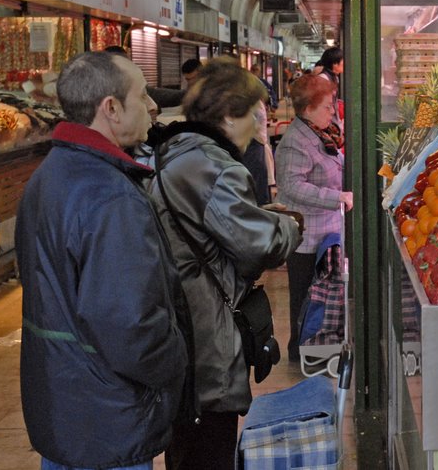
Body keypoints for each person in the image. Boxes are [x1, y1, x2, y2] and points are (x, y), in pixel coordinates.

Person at [16, 52, 190, 470]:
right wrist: (177, 362)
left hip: (65, 405)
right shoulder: (111, 196)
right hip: (108, 417)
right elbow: (128, 323)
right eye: (142, 95)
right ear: (110, 109)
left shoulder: (48, 175)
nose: (153, 106)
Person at [136, 57, 301, 470]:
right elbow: (259, 244)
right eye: (254, 114)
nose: (259, 126)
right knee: (209, 446)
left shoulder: (177, 151)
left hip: (179, 325)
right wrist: (288, 225)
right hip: (206, 333)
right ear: (229, 115)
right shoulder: (215, 166)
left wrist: (259, 211)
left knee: (187, 447)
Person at [275, 73, 353, 361]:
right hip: (307, 237)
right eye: (327, 107)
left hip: (326, 230)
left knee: (323, 295)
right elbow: (292, 186)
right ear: (308, 109)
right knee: (306, 295)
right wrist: (337, 197)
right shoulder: (296, 141)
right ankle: (301, 350)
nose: (333, 112)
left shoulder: (321, 133)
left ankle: (316, 345)